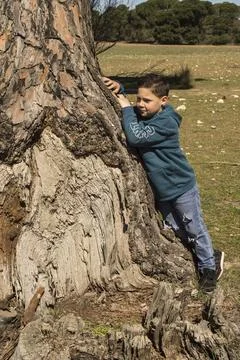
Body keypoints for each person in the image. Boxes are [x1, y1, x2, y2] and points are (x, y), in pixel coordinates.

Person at [103, 74, 224, 293]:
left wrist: (126, 107)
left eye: (146, 101)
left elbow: (135, 137)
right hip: (163, 192)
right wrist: (121, 88)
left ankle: (209, 267)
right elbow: (143, 109)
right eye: (138, 99)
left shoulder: (166, 123)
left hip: (181, 188)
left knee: (194, 229)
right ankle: (204, 256)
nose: (140, 104)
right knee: (176, 230)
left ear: (164, 101)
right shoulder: (151, 114)